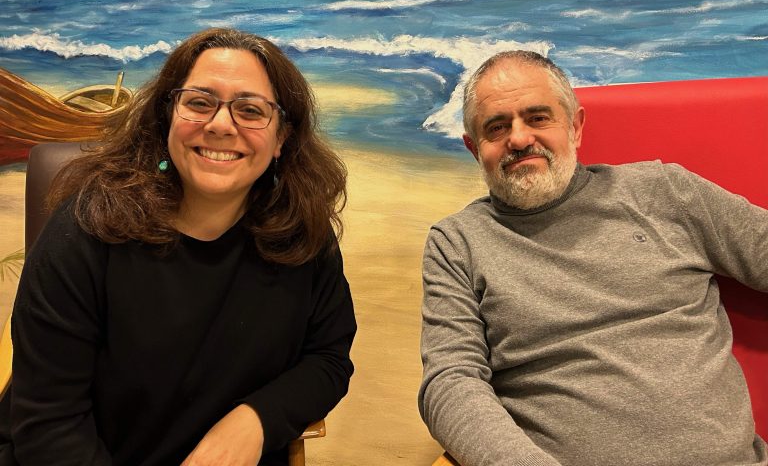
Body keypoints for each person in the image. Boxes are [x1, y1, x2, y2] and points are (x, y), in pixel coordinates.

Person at [0, 28, 356, 466]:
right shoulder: (84, 229)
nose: (221, 125)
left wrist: (256, 420)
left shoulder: (303, 234)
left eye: (250, 110)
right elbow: (49, 428)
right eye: (200, 103)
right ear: (166, 117)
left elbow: (328, 359)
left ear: (281, 138)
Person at [418, 50, 768, 466]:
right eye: (497, 127)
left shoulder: (666, 192)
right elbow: (450, 382)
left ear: (575, 127)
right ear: (475, 149)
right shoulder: (457, 244)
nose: (519, 139)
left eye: (538, 118)